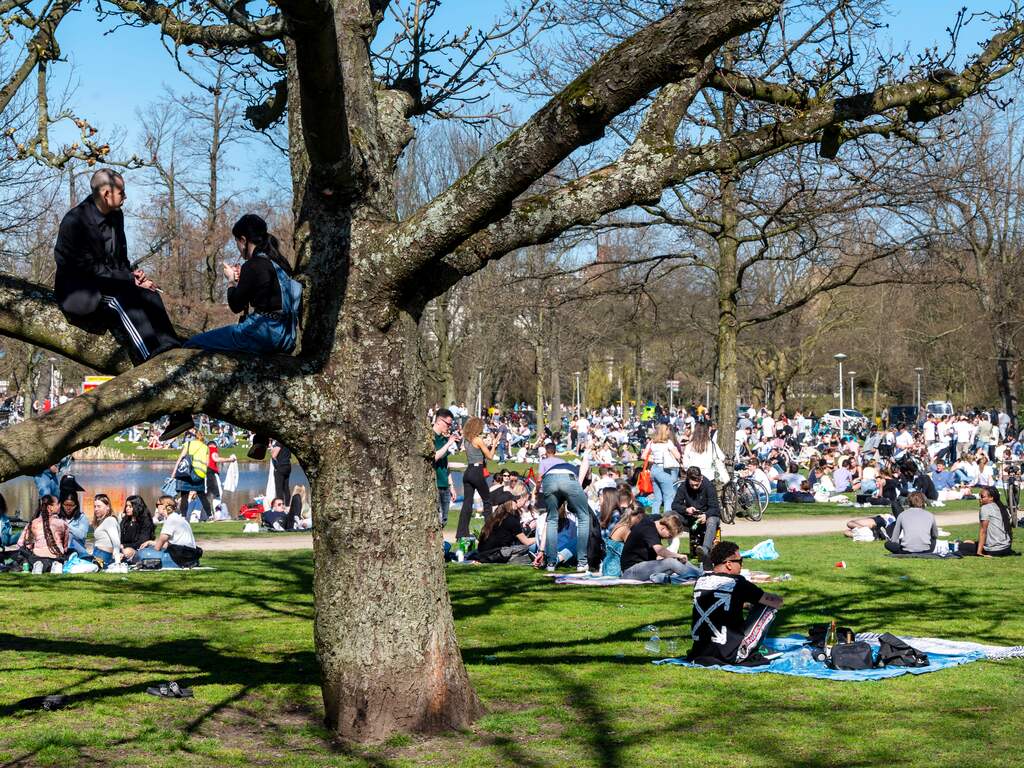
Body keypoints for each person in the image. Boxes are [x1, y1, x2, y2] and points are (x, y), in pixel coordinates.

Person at [53, 169, 192, 441]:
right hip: (80, 291)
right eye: (122, 192)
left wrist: (134, 276)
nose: (125, 197)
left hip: (108, 281)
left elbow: (119, 260)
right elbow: (87, 268)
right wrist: (127, 279)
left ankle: (171, 352)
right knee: (122, 301)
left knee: (150, 295)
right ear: (106, 194)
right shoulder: (76, 222)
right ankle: (154, 368)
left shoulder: (116, 216)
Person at [184, 214, 300, 460]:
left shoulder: (254, 265)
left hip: (262, 331)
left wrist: (230, 282)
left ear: (244, 239)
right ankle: (260, 435)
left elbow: (237, 305)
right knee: (260, 377)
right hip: (287, 336)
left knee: (192, 345)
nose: (238, 248)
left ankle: (181, 414)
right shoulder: (281, 265)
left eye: (237, 242)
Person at [687, 541, 784, 666]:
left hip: (700, 652)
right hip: (729, 654)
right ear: (728, 564)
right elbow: (775, 602)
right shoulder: (737, 582)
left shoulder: (701, 580)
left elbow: (717, 603)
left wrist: (744, 604)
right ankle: (746, 650)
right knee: (769, 606)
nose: (741, 566)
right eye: (740, 561)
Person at [538, 442, 592, 573]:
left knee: (551, 519)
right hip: (567, 478)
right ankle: (582, 562)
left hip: (549, 479)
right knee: (584, 517)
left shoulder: (564, 465)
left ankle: (550, 562)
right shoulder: (578, 473)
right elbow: (586, 463)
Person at [619, 512, 698, 582]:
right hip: (630, 571)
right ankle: (695, 575)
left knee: (676, 561)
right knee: (670, 562)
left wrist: (677, 558)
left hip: (641, 568)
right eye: (670, 535)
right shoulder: (649, 528)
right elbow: (660, 551)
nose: (669, 538)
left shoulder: (653, 528)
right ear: (663, 528)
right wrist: (678, 555)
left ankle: (698, 572)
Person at [455, 417, 496, 540]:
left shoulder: (466, 439)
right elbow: (490, 457)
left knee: (467, 503)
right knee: (487, 501)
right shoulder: (478, 439)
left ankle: (461, 533)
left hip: (468, 471)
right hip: (477, 471)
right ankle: (489, 531)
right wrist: (494, 445)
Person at [136, 495, 202, 568]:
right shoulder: (178, 518)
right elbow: (172, 544)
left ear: (164, 506)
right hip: (189, 553)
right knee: (149, 549)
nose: (157, 507)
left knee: (144, 553)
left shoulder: (171, 520)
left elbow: (162, 541)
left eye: (157, 505)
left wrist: (154, 551)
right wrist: (150, 542)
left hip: (181, 554)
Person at [670, 466, 721, 560]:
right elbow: (675, 505)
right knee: (670, 515)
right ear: (688, 479)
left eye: (696, 485)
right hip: (691, 518)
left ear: (701, 478)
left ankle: (705, 550)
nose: (694, 487)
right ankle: (673, 551)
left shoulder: (709, 486)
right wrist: (686, 509)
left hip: (707, 516)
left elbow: (715, 508)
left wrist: (706, 515)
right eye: (692, 485)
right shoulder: (683, 486)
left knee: (712, 520)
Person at [15, 495, 70, 572]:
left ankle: (38, 565)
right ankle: (55, 566)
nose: (60, 505)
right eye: (58, 504)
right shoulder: (63, 524)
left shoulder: (32, 523)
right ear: (50, 507)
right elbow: (65, 547)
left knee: (24, 552)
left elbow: (21, 544)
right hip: (56, 557)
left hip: (37, 557)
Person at [958, 486, 1016, 557]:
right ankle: (973, 543)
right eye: (979, 496)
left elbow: (983, 531)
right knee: (968, 542)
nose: (980, 499)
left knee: (961, 546)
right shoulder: (1002, 508)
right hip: (1006, 548)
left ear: (991, 498)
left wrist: (979, 552)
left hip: (994, 550)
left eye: (982, 497)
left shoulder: (985, 508)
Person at [643, 424, 682, 516]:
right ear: (665, 431)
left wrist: (655, 459)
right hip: (664, 470)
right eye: (668, 430)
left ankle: (654, 517)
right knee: (669, 496)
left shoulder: (652, 442)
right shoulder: (668, 443)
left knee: (657, 498)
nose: (669, 432)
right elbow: (678, 456)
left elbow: (644, 456)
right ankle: (667, 518)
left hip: (654, 469)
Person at [174, 429, 212, 520]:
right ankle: (210, 515)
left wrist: (174, 471)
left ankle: (183, 516)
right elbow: (207, 463)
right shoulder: (206, 447)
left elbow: (181, 457)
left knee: (184, 496)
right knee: (202, 496)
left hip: (188, 473)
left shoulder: (189, 444)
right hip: (200, 474)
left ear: (195, 437)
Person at [432, 408, 459, 526]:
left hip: (445, 486)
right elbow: (434, 457)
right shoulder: (430, 437)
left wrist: (451, 486)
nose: (449, 426)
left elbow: (446, 464)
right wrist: (449, 443)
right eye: (448, 423)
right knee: (436, 521)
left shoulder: (443, 439)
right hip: (435, 485)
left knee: (444, 521)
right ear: (439, 420)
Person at [90, 493, 123, 567]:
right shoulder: (102, 521)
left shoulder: (110, 520)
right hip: (98, 554)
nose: (96, 509)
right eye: (95, 506)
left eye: (99, 506)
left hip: (103, 556)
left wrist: (117, 562)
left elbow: (116, 541)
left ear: (107, 507)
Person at [120, 495, 156, 562]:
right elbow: (119, 536)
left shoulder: (145, 521)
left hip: (139, 550)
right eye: (126, 506)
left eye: (130, 506)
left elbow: (141, 543)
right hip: (122, 547)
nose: (127, 508)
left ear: (137, 507)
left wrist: (123, 546)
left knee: (127, 551)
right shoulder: (126, 520)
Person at [60, 491, 91, 558]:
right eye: (66, 505)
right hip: (62, 552)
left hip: (80, 553)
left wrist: (67, 526)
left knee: (70, 534)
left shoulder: (82, 517)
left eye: (71, 505)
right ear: (62, 504)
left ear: (76, 505)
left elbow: (82, 535)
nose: (68, 508)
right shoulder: (59, 517)